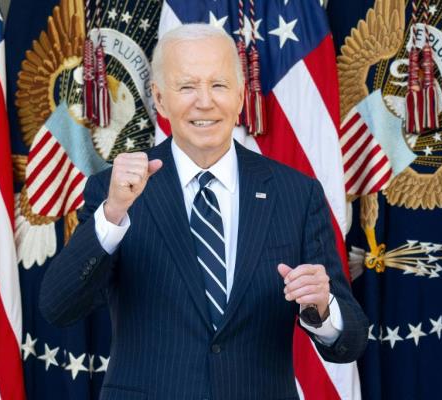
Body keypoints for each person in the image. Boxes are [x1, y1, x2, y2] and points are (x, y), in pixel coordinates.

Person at [40, 23, 368, 400]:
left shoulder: (296, 194)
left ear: (242, 94)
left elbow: (351, 343)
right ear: (160, 99)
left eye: (219, 85)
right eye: (187, 86)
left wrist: (323, 309)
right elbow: (58, 307)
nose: (205, 101)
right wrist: (113, 213)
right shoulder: (114, 192)